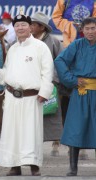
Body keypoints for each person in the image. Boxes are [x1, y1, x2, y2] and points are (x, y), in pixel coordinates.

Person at [0, 14, 54, 176]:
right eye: (17, 25)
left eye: (24, 25)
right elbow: (7, 75)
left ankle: (33, 166)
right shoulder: (13, 49)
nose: (20, 28)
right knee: (12, 133)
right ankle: (14, 166)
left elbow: (48, 72)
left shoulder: (40, 47)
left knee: (31, 133)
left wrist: (45, 92)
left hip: (32, 98)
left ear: (30, 27)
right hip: (11, 98)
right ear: (14, 28)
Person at [52, 0, 96, 159]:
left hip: (90, 44)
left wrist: (88, 26)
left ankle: (84, 143)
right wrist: (70, 25)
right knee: (59, 88)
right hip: (69, 46)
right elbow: (56, 17)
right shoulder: (64, 0)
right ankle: (57, 138)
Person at [30, 12, 63, 156]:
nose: (30, 27)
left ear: (41, 27)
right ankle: (32, 147)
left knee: (49, 115)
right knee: (31, 117)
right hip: (30, 86)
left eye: (33, 24)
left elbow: (60, 62)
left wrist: (54, 81)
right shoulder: (25, 40)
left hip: (49, 85)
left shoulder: (54, 42)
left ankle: (55, 143)